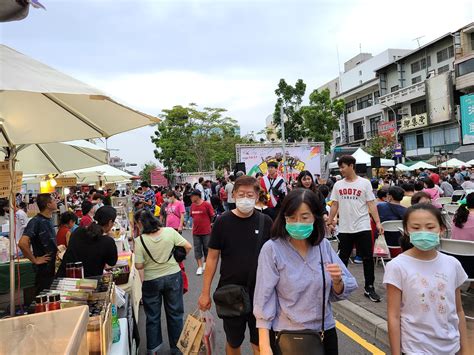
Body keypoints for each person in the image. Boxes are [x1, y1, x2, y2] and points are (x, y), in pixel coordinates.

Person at [254, 189, 357, 355]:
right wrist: (264, 345)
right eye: (292, 217)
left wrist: (337, 281)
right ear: (284, 217)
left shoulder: (323, 246)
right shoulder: (272, 249)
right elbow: (264, 298)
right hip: (286, 336)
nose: (298, 223)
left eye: (304, 217)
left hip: (324, 332)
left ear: (315, 218)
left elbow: (344, 288)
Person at [198, 176, 273, 355]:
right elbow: (212, 258)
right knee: (233, 342)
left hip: (261, 294)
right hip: (230, 292)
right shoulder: (223, 222)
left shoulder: (266, 222)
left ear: (257, 196)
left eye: (250, 194)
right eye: (241, 194)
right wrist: (205, 293)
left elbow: (275, 258)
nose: (245, 198)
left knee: (260, 343)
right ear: (233, 195)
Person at [384, 204, 468, 355]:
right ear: (406, 231)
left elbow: (458, 310)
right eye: (416, 227)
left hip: (451, 347)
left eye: (430, 227)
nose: (423, 232)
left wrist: (465, 349)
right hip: (415, 349)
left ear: (441, 229)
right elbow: (394, 316)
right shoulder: (397, 266)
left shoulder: (452, 264)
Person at [134, 209, 192, 355]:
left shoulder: (140, 241)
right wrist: (175, 258)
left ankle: (153, 349)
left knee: (152, 316)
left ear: (140, 223)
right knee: (175, 314)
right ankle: (177, 348)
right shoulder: (169, 232)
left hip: (151, 280)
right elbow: (188, 246)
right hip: (173, 276)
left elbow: (139, 265)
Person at [327, 155, 384, 302]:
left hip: (363, 226)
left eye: (343, 167)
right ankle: (338, 286)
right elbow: (334, 204)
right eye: (340, 167)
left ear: (351, 166)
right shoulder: (338, 185)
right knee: (342, 259)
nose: (341, 170)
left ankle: (369, 287)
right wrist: (330, 220)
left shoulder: (364, 183)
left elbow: (371, 204)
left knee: (367, 258)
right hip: (345, 228)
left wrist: (378, 223)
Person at [57, 206, 118, 277]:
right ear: (110, 222)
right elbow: (112, 262)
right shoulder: (107, 241)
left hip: (64, 280)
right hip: (87, 284)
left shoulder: (78, 231)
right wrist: (110, 238)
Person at [18, 194, 58, 294]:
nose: (56, 202)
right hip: (43, 269)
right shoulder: (36, 221)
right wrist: (34, 260)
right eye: (53, 200)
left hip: (51, 268)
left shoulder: (48, 220)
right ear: (48, 204)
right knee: (43, 297)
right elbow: (22, 243)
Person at [190, 189, 215, 275]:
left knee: (207, 248)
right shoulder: (192, 205)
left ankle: (206, 263)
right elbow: (193, 217)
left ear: (197, 196)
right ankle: (200, 266)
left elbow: (212, 216)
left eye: (192, 196)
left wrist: (209, 224)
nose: (190, 198)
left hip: (206, 232)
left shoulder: (206, 205)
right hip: (196, 232)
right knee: (197, 249)